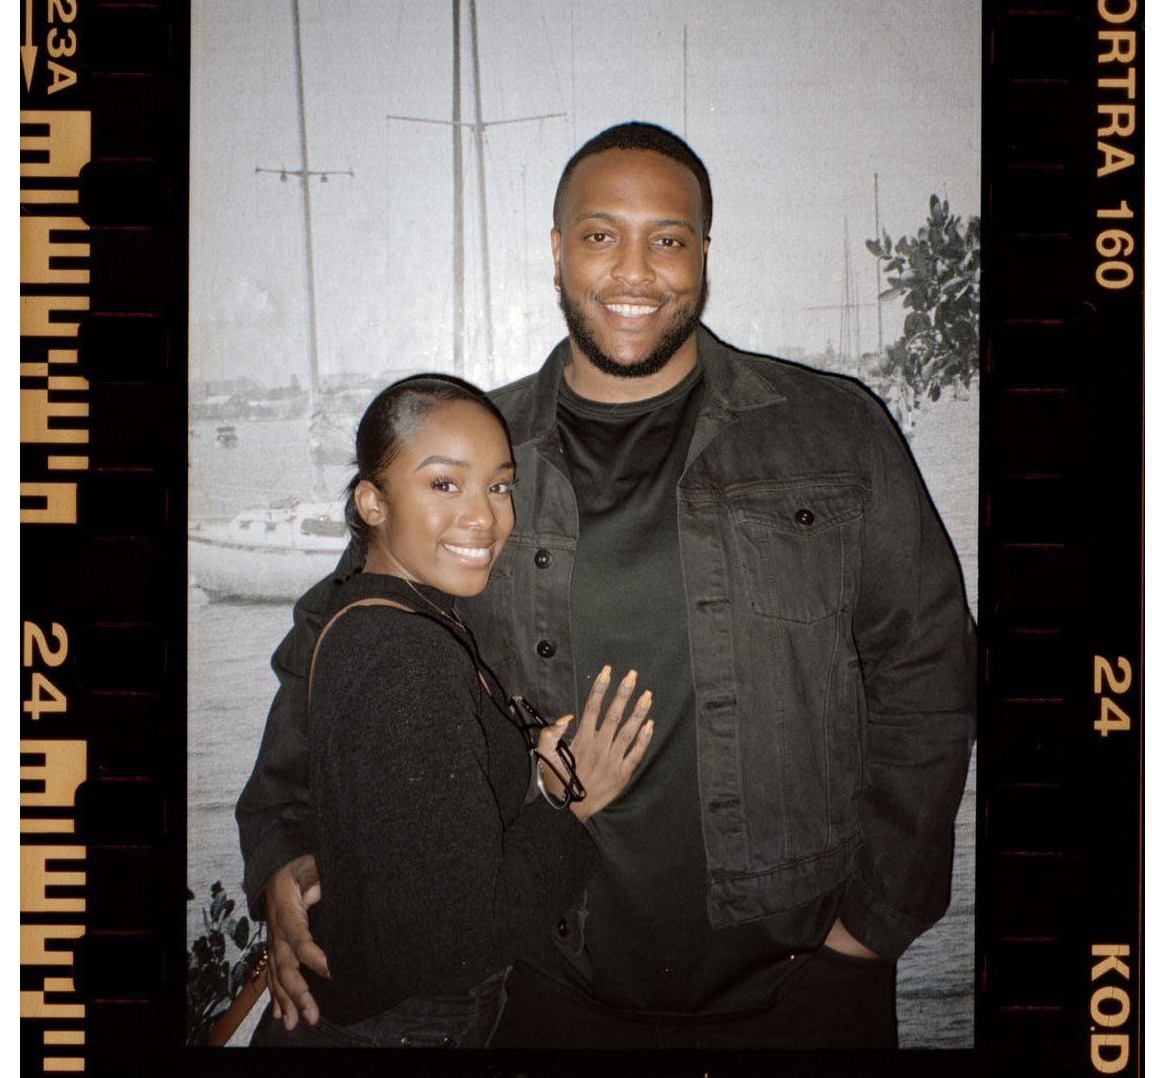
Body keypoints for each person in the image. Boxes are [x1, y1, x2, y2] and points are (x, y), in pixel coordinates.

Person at [237, 122, 977, 1049]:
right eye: (599, 235)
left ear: (703, 253)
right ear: (557, 250)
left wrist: (870, 927)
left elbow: (929, 671)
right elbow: (337, 644)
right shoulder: (472, 456)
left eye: (667, 238)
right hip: (543, 994)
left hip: (801, 992)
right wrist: (283, 848)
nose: (635, 269)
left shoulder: (834, 432)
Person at [247, 375, 654, 1047]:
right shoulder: (408, 657)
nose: (485, 517)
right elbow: (459, 942)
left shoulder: (375, 614)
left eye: (498, 486)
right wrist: (574, 807)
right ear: (372, 502)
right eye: (444, 484)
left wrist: (540, 779)